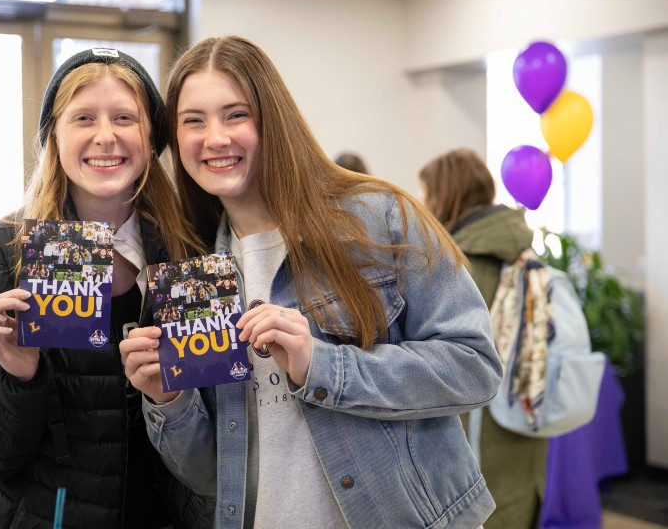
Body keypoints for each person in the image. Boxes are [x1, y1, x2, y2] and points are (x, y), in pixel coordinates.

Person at [120, 36, 503, 529]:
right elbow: (209, 475)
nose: (215, 138)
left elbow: (474, 366)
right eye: (194, 120)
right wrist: (167, 400)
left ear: (272, 120)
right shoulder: (190, 272)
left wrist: (323, 365)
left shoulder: (379, 216)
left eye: (236, 114)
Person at [0, 48, 214, 529]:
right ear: (53, 138)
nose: (106, 136)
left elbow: (221, 422)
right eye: (84, 117)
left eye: (125, 117)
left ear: (151, 138)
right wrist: (18, 377)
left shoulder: (189, 253)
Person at [419, 147, 546, 529]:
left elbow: (450, 356)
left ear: (445, 195)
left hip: (475, 428)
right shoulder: (520, 248)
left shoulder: (461, 261)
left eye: (426, 194)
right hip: (523, 411)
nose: (423, 204)